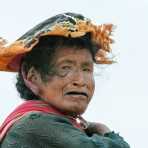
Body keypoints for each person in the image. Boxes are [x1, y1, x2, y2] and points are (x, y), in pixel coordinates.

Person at [0, 12, 130, 148]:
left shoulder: (61, 127)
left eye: (87, 69)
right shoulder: (36, 125)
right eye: (65, 67)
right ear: (32, 76)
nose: (80, 81)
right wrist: (104, 131)